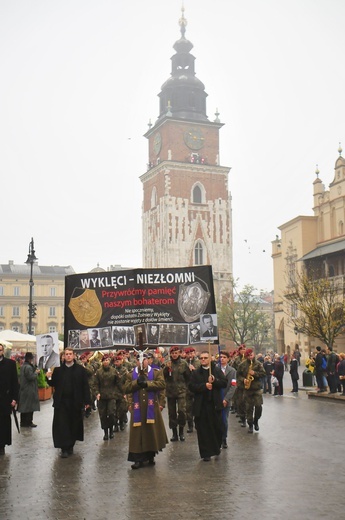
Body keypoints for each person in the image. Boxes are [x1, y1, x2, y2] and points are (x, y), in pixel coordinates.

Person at [123, 353, 168, 469]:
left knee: (150, 431)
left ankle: (150, 455)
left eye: (145, 359)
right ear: (136, 361)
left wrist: (147, 383)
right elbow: (126, 388)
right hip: (137, 407)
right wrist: (136, 383)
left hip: (151, 406)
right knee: (137, 433)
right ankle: (137, 458)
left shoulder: (156, 372)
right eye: (139, 359)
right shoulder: (131, 374)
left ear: (149, 360)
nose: (142, 362)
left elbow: (162, 384)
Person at [46, 347, 91, 458]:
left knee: (73, 424)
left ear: (74, 355)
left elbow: (85, 386)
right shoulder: (58, 370)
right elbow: (53, 383)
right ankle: (64, 448)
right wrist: (48, 378)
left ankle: (70, 445)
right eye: (66, 354)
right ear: (63, 356)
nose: (68, 356)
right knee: (62, 425)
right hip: (61, 402)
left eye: (70, 354)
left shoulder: (80, 370)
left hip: (75, 402)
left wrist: (87, 401)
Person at [189, 350, 227, 461]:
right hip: (201, 406)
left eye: (205, 358)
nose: (203, 360)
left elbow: (224, 383)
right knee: (202, 430)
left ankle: (216, 447)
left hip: (214, 405)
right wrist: (204, 386)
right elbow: (191, 386)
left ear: (210, 358)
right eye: (201, 358)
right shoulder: (196, 373)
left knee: (217, 427)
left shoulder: (216, 370)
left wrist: (215, 381)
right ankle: (206, 453)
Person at [163, 346, 190, 441]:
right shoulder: (167, 363)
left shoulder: (184, 364)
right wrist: (167, 368)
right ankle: (174, 433)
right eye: (173, 353)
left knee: (182, 411)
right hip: (170, 392)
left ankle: (181, 431)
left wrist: (186, 389)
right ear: (170, 354)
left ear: (179, 353)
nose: (174, 355)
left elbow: (188, 377)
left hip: (181, 391)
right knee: (172, 413)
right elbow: (163, 376)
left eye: (176, 353)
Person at [236, 348, 266, 433]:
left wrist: (255, 373)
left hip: (256, 388)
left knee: (258, 406)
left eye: (251, 355)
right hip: (247, 389)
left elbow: (263, 374)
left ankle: (256, 420)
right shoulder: (242, 364)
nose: (250, 357)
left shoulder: (258, 364)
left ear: (254, 354)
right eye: (248, 355)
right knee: (249, 408)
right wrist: (243, 380)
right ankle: (250, 424)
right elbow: (238, 376)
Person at [0, 343, 19, 455]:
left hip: (5, 398)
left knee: (4, 423)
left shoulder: (10, 364)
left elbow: (14, 383)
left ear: (3, 351)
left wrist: (14, 398)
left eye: (0, 350)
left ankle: (2, 445)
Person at [93, 354, 118, 440]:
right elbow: (95, 384)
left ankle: (111, 430)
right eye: (104, 360)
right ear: (102, 362)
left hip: (111, 396)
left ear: (109, 361)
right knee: (103, 415)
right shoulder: (99, 372)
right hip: (102, 397)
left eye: (107, 360)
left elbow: (118, 383)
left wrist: (121, 393)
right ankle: (105, 432)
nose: (106, 362)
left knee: (111, 413)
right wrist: (97, 393)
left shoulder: (114, 371)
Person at [219, 350, 236, 448]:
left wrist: (226, 399)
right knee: (217, 420)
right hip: (217, 399)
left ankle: (224, 438)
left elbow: (233, 386)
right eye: (220, 357)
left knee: (224, 420)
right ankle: (218, 438)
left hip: (226, 399)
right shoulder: (215, 369)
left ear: (228, 359)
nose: (222, 359)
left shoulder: (232, 371)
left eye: (224, 357)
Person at [18, 352, 40, 427]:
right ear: (30, 359)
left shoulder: (23, 366)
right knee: (30, 407)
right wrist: (36, 373)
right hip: (29, 390)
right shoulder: (28, 367)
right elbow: (31, 377)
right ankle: (28, 422)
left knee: (24, 407)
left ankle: (23, 422)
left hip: (24, 389)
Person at [185, 347, 200, 433]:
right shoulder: (184, 363)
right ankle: (190, 425)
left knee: (197, 406)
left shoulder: (198, 362)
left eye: (192, 353)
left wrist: (194, 370)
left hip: (197, 387)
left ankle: (197, 423)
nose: (190, 355)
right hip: (187, 388)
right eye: (188, 354)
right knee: (188, 408)